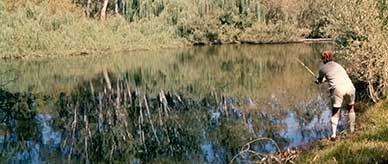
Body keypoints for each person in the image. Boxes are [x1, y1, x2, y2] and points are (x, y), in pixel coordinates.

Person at [315, 50, 356, 140]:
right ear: (331, 57)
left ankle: (333, 135)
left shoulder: (322, 69)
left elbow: (320, 80)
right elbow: (333, 76)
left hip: (337, 89)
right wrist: (324, 79)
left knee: (336, 111)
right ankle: (352, 130)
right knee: (351, 107)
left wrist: (318, 81)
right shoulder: (337, 65)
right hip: (350, 87)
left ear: (323, 59)